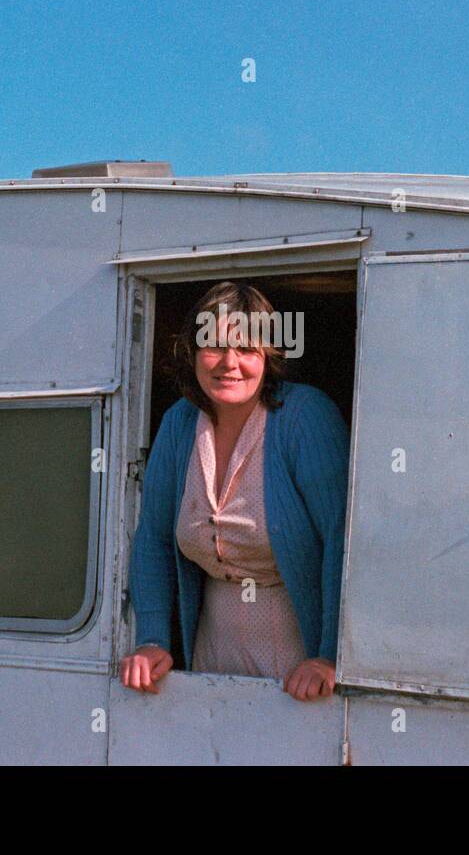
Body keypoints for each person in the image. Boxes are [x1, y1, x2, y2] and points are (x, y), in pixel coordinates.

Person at [120, 281, 350, 701]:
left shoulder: (304, 416)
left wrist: (330, 656)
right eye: (215, 346)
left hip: (300, 664)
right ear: (192, 353)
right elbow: (152, 538)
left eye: (247, 349)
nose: (230, 363)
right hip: (210, 652)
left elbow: (342, 539)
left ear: (269, 356)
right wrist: (151, 641)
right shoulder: (179, 422)